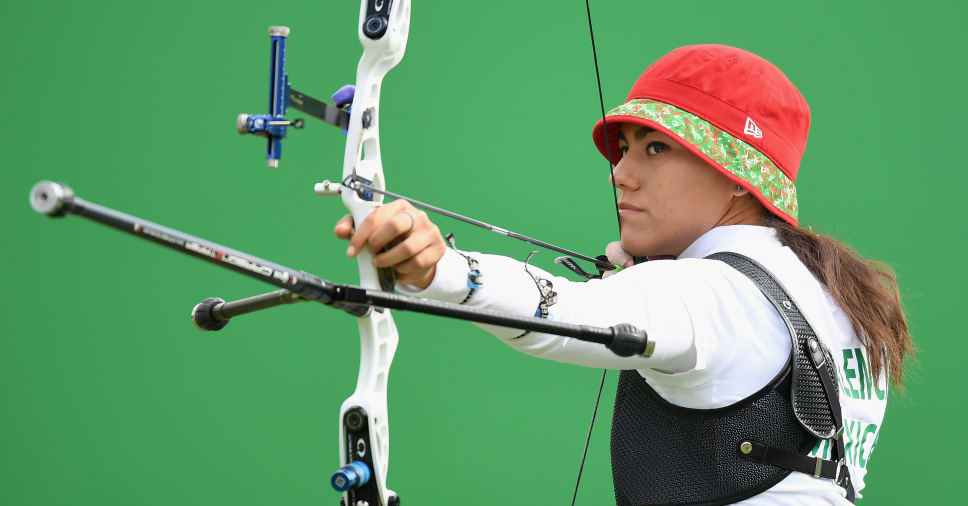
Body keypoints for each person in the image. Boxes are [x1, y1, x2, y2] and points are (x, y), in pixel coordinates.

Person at [334, 44, 913, 504]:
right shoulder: (827, 295)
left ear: (741, 174)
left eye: (655, 149)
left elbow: (568, 315)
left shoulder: (715, 291)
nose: (621, 174)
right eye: (625, 148)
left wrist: (442, 269)